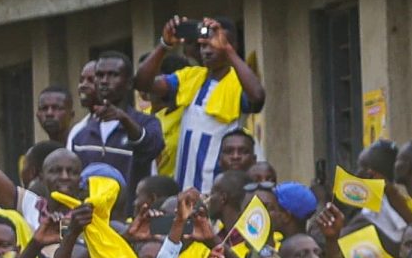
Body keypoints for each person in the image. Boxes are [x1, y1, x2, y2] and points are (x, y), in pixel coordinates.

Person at [136, 15, 265, 192]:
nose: (207, 50)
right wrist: (164, 45)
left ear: (231, 46)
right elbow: (143, 83)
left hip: (218, 195)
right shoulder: (191, 77)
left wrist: (228, 51)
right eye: (203, 45)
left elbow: (257, 98)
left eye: (214, 44)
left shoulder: (238, 82)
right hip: (185, 193)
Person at [66, 49, 164, 191]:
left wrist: (124, 119)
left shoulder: (147, 123)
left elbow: (151, 147)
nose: (104, 81)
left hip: (131, 212)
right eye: (100, 75)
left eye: (113, 75)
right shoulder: (81, 132)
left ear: (129, 83)